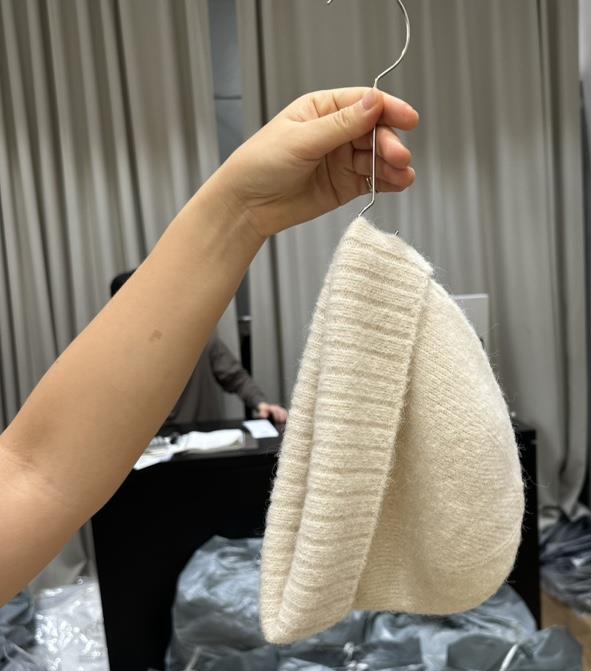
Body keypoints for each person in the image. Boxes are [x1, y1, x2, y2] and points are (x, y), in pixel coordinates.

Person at [0, 87, 419, 604]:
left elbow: (35, 471)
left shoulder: (202, 344)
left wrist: (241, 209)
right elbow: (38, 473)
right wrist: (240, 209)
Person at [110, 271, 287, 426]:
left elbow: (235, 377)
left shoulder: (198, 337)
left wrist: (261, 404)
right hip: (146, 447)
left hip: (201, 441)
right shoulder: (115, 355)